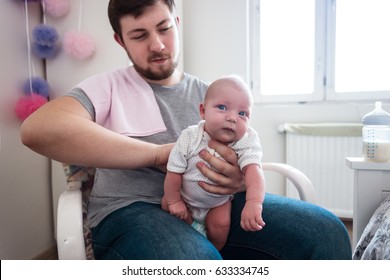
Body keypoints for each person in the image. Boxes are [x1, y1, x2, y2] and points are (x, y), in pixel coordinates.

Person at [20, 0, 352, 259]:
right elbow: (38, 129)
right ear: (120, 41)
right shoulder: (106, 87)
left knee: (327, 232)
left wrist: (239, 180)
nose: (158, 46)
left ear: (177, 24)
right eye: (139, 36)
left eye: (164, 29)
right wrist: (156, 154)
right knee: (192, 260)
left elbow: (247, 155)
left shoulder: (214, 97)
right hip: (132, 211)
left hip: (218, 204)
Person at [162, 75, 265, 250]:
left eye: (242, 113)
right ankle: (192, 227)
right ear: (203, 111)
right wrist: (174, 202)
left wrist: (254, 203)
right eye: (222, 107)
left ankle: (214, 250)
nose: (233, 118)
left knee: (221, 224)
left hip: (217, 203)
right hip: (185, 197)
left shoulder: (246, 140)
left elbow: (254, 172)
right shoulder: (191, 136)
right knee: (167, 203)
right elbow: (174, 171)